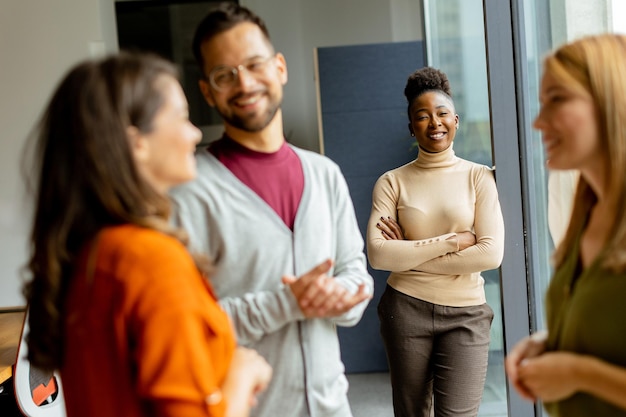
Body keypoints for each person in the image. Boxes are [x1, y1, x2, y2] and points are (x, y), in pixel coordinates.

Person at [22, 51, 272, 417]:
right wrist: (239, 376)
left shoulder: (95, 253)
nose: (195, 133)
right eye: (182, 117)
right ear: (136, 142)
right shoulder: (150, 259)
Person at [169, 3, 374, 417]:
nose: (244, 83)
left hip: (332, 406)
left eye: (254, 64)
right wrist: (288, 303)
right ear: (207, 91)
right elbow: (185, 326)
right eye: (224, 75)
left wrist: (343, 295)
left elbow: (355, 270)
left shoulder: (325, 174)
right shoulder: (189, 192)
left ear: (279, 67)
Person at [366, 66, 505, 417]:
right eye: (422, 116)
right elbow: (379, 255)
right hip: (405, 310)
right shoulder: (391, 182)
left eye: (442, 114)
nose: (434, 123)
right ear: (411, 126)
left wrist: (408, 253)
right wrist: (453, 241)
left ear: (456, 120)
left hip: (467, 315)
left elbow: (490, 253)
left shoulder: (480, 177)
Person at [505, 33, 626, 416]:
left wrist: (578, 373)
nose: (539, 122)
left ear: (612, 100)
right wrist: (551, 344)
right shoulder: (586, 214)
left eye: (557, 99)